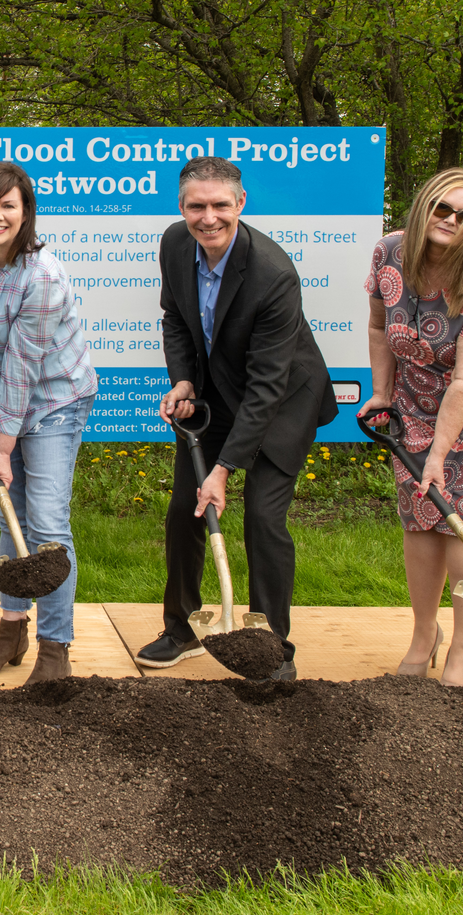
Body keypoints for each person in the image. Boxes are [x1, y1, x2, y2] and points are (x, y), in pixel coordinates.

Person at [141, 156, 336, 680]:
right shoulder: (174, 244)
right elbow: (175, 318)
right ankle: (181, 630)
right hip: (215, 394)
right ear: (181, 207)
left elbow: (268, 385)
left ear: (241, 204)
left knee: (262, 520)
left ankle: (273, 646)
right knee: (186, 508)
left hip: (282, 401)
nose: (208, 218)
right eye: (196, 206)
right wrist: (183, 379)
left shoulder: (273, 274)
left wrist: (223, 471)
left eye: (220, 205)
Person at [359, 168, 463, 686]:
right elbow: (377, 325)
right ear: (423, 209)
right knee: (419, 518)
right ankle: (422, 633)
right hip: (414, 397)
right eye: (442, 209)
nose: (451, 220)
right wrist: (383, 395)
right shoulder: (390, 252)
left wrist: (437, 455)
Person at [0, 161, 98, 686]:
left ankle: (55, 648)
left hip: (54, 400)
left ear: (25, 212)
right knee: (12, 517)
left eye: (9, 205)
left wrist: (3, 449)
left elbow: (23, 368)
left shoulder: (43, 275)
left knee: (48, 525)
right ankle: (12, 629)